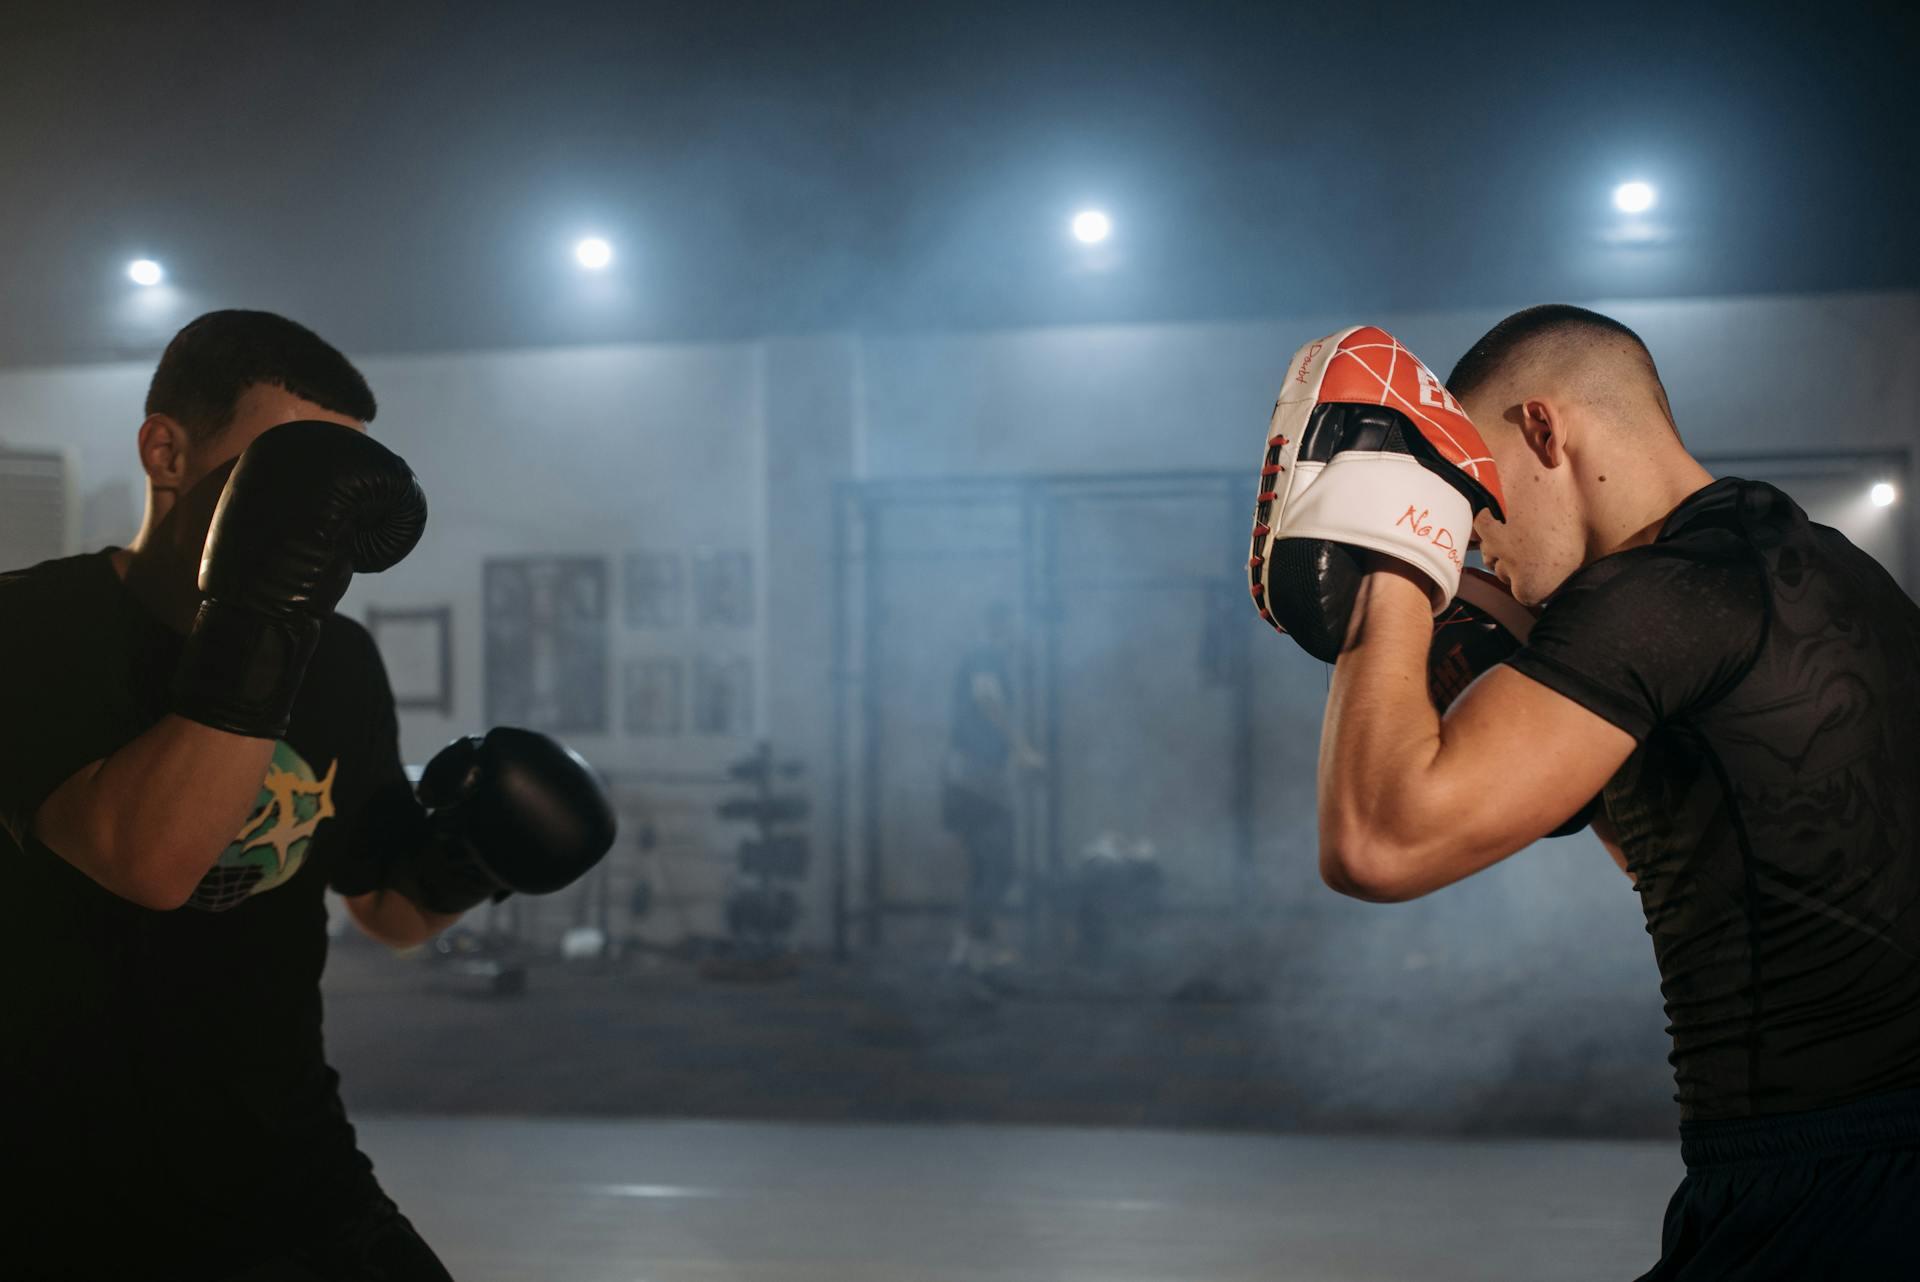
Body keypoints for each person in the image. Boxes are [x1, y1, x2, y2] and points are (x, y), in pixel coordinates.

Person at [1252, 308, 1919, 1279]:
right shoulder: (1821, 573)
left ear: (1543, 431)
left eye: (1470, 491)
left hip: (1828, 1196)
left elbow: (1378, 843)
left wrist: (1393, 549)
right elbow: (1724, 870)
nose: (1470, 539)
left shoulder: (1653, 595)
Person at [0, 310, 616, 1281]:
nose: (314, 516)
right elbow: (149, 860)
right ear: (167, 450)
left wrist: (472, 857)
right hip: (62, 1205)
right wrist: (267, 606)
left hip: (292, 1175)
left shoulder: (339, 663)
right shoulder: (30, 627)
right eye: (282, 476)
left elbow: (385, 910)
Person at [940, 601, 1043, 981]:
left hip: (971, 777)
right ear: (1001, 626)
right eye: (1016, 628)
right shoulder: (985, 656)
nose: (1020, 637)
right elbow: (987, 700)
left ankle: (967, 954)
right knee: (1000, 870)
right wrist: (1022, 747)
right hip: (973, 779)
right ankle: (971, 952)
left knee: (985, 871)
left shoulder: (984, 658)